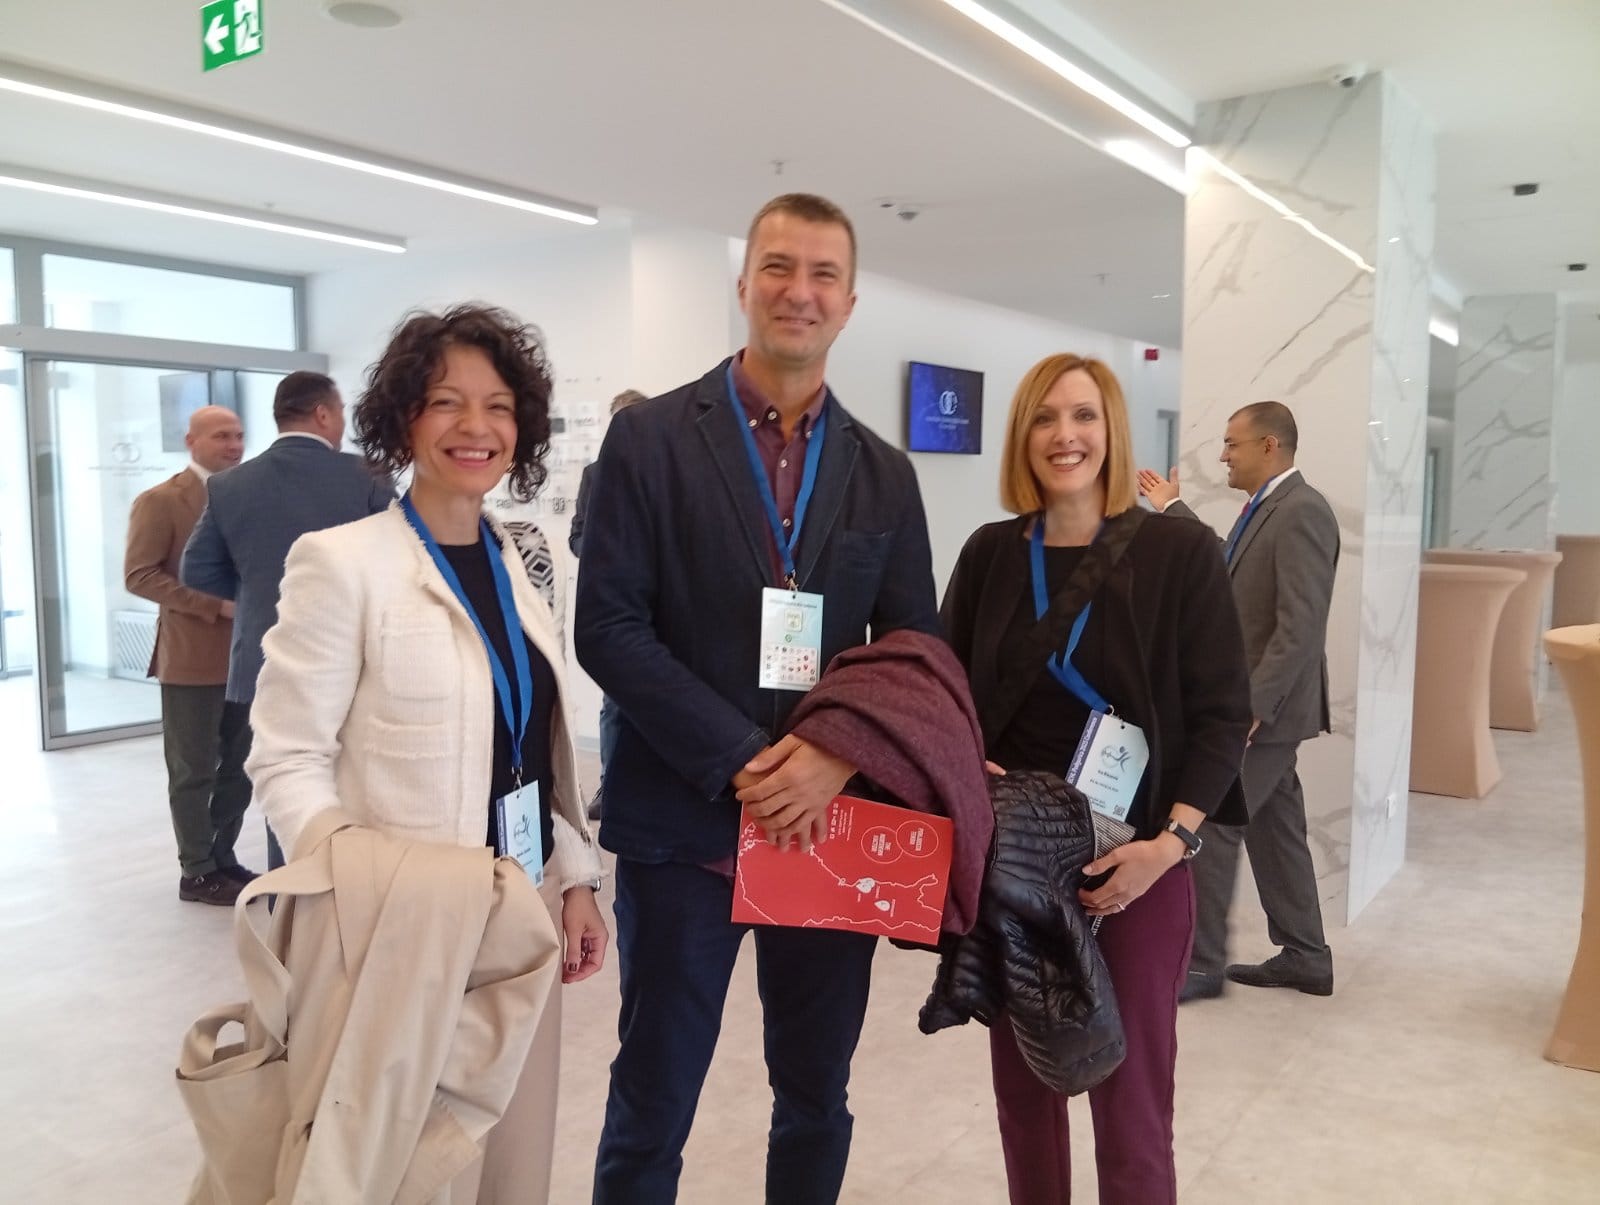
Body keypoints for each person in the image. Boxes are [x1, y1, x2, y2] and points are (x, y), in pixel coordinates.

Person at [576, 193, 939, 1204]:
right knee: (652, 1100)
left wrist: (832, 755)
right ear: (743, 285)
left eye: (823, 274)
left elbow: (913, 653)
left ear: (850, 302)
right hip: (681, 826)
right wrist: (745, 757)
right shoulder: (648, 440)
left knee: (815, 1094)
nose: (799, 291)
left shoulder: (884, 474)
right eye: (779, 266)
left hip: (827, 827)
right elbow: (609, 627)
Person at [244, 304, 607, 1201]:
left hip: (520, 912)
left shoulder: (522, 559)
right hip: (400, 925)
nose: (475, 426)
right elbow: (285, 757)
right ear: (403, 417)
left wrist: (576, 878)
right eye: (447, 401)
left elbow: (528, 747)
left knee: (512, 1159)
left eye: (498, 406)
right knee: (405, 1168)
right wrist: (361, 882)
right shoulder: (342, 562)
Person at [942, 354, 1251, 1204]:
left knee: (1133, 1104)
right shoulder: (991, 554)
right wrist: (966, 762)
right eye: (1044, 417)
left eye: (1083, 415)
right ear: (1022, 436)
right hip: (1017, 866)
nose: (1065, 435)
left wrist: (1170, 844)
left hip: (1139, 860)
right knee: (1025, 1097)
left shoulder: (1180, 551)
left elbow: (1226, 713)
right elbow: (945, 690)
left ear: (1112, 428)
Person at [1138, 400, 1339, 1000]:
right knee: (1275, 829)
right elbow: (1228, 562)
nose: (1223, 455)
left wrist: (1251, 708)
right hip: (1264, 710)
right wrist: (1173, 509)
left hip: (1265, 713)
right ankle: (1307, 956)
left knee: (1210, 823)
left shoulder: (1302, 510)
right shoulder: (1267, 508)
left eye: (1232, 443)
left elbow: (1300, 628)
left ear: (1269, 446)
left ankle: (1201, 965)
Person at [181, 370, 394, 868]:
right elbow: (399, 556)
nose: (341, 423)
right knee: (362, 783)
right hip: (357, 653)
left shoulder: (230, 484)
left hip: (267, 656)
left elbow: (197, 569)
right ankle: (354, 890)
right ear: (322, 413)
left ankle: (292, 898)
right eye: (339, 412)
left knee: (288, 782)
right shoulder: (367, 474)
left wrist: (259, 594)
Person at [124, 405, 254, 905]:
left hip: (247, 658)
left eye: (239, 435)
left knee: (241, 766)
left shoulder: (248, 496)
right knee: (193, 770)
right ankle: (196, 871)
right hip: (191, 660)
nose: (234, 445)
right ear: (191, 441)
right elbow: (139, 575)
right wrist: (213, 606)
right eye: (222, 436)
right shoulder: (160, 501)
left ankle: (222, 856)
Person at [568, 387, 648, 822]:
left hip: (661, 605)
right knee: (614, 702)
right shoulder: (594, 475)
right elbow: (577, 536)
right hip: (614, 604)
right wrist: (605, 552)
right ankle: (609, 785)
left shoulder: (669, 472)